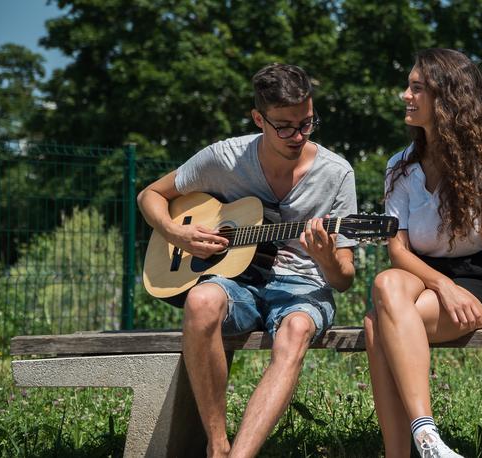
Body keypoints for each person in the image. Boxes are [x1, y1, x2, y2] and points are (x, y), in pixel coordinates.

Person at [137, 63, 357, 458]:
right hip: (237, 283)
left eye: (307, 123)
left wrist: (327, 260)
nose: (298, 135)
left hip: (303, 284)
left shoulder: (336, 173)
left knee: (294, 333)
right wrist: (176, 232)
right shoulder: (224, 158)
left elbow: (343, 280)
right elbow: (149, 195)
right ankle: (217, 445)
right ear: (259, 118)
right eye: (285, 127)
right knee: (201, 301)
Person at [364, 48, 482, 458]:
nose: (405, 95)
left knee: (377, 327)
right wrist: (442, 285)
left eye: (417, 88)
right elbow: (397, 249)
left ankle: (401, 452)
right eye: (408, 86)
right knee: (386, 281)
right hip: (422, 276)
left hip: (475, 279)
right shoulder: (399, 166)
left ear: (448, 97)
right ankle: (426, 436)